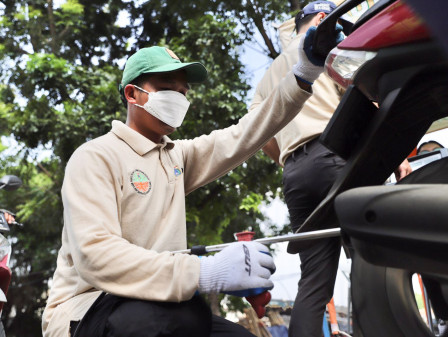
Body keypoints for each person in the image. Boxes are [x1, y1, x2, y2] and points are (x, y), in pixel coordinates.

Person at [41, 27, 339, 337]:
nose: (179, 99)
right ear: (132, 94)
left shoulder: (176, 157)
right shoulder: (95, 156)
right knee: (174, 320)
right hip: (88, 307)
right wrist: (206, 271)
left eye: (183, 92)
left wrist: (304, 73)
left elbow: (244, 134)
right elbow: (96, 255)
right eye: (167, 88)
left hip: (163, 304)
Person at [249, 2, 412, 336]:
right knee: (376, 260)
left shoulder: (267, 78)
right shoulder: (330, 47)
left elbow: (259, 136)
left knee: (314, 282)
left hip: (294, 174)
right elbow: (367, 97)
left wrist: (287, 156)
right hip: (338, 157)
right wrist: (396, 155)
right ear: (324, 19)